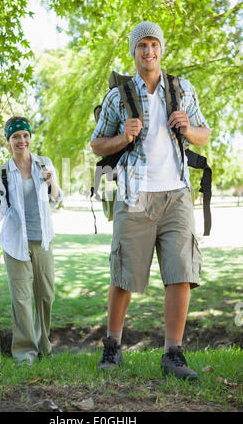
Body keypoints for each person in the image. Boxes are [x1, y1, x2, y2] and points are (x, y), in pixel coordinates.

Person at [90, 21, 211, 379]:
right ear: (134, 52)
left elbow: (204, 135)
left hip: (176, 193)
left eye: (153, 44)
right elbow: (98, 144)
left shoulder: (182, 89)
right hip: (134, 194)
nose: (148, 51)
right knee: (125, 274)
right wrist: (123, 138)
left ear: (161, 49)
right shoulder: (119, 96)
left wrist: (188, 129)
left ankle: (173, 354)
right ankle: (112, 347)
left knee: (181, 273)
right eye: (141, 45)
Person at [0, 116, 63, 366]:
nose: (22, 140)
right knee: (22, 298)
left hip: (42, 240)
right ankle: (25, 353)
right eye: (16, 136)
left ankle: (43, 345)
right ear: (8, 141)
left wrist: (51, 180)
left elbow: (56, 199)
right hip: (16, 243)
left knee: (45, 295)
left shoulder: (45, 163)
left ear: (30, 138)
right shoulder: (2, 173)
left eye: (25, 136)